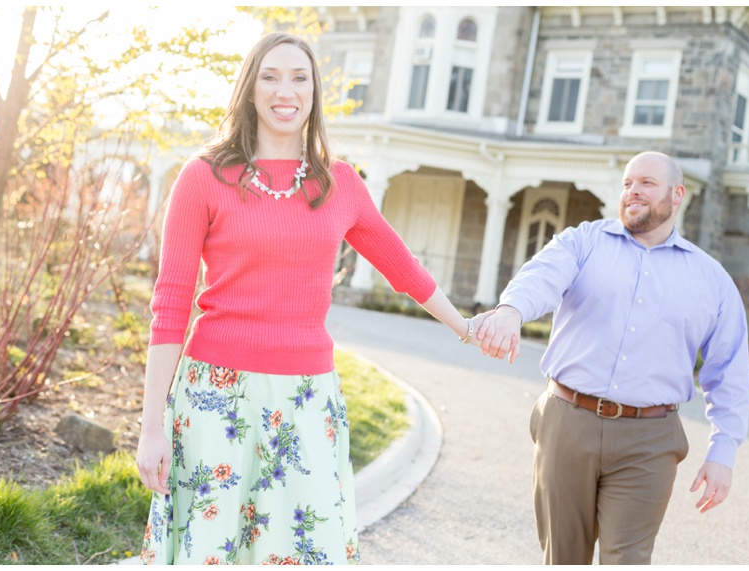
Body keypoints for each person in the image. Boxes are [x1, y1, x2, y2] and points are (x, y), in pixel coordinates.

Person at [135, 32, 486, 565]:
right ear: (250, 87)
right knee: (209, 551)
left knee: (306, 551)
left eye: (299, 77)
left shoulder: (340, 183)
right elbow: (171, 303)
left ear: (315, 91)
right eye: (271, 76)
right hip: (213, 399)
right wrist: (150, 428)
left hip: (306, 402)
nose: (285, 90)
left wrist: (465, 327)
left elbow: (402, 267)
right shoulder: (203, 177)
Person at [475, 151, 749, 565]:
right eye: (626, 183)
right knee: (563, 558)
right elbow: (540, 278)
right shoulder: (582, 241)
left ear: (677, 195)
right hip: (567, 421)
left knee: (628, 560)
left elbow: (728, 371)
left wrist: (722, 452)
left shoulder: (711, 280)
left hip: (650, 440)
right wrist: (511, 311)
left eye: (646, 183)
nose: (633, 191)